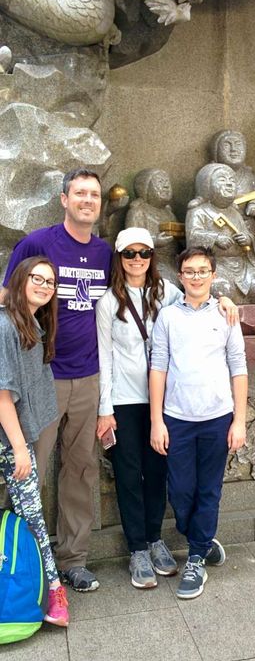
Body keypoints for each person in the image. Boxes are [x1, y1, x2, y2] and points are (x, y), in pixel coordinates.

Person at [96, 229, 240, 589]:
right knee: (129, 477)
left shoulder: (166, 292)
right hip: (125, 400)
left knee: (159, 475)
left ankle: (160, 540)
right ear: (120, 256)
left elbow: (199, 291)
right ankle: (137, 549)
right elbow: (104, 357)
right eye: (130, 253)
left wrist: (226, 300)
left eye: (144, 252)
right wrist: (104, 408)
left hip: (165, 403)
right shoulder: (107, 302)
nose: (137, 259)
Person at [1, 168, 112, 592]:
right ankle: (21, 561)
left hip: (88, 377)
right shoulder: (38, 243)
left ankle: (73, 559)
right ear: (63, 199)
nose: (87, 200)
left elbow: (143, 287)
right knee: (27, 472)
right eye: (79, 193)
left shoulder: (104, 254)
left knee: (80, 470)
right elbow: (7, 294)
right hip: (39, 378)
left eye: (94, 195)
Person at [150, 246, 248, 600]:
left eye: (202, 270)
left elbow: (238, 366)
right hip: (177, 418)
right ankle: (202, 539)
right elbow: (158, 366)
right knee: (180, 491)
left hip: (216, 418)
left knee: (209, 489)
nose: (195, 276)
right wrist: (155, 421)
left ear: (213, 275)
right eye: (189, 271)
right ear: (180, 276)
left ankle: (195, 558)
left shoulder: (226, 315)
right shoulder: (168, 317)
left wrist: (240, 420)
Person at [0, 257, 69, 626]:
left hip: (17, 438)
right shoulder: (4, 325)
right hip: (10, 442)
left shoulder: (31, 322)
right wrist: (20, 447)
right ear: (21, 280)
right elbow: (2, 394)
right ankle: (54, 593)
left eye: (50, 282)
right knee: (33, 518)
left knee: (32, 516)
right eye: (37, 279)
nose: (44, 286)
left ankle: (47, 590)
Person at [186, 163, 255, 303]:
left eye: (232, 181)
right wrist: (215, 238)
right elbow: (192, 237)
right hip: (215, 265)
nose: (229, 184)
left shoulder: (235, 213)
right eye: (222, 180)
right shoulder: (199, 211)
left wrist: (247, 239)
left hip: (241, 266)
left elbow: (248, 236)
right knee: (221, 290)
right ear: (206, 185)